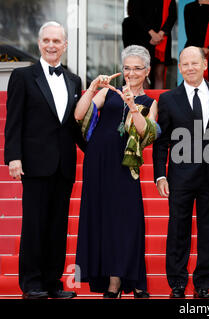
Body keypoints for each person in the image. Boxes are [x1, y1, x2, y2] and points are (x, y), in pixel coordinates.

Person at [3, 21, 84, 299]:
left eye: (57, 41)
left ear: (65, 46)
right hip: (35, 163)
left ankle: (53, 282)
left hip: (64, 165)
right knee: (35, 224)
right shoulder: (23, 77)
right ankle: (32, 283)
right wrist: (14, 157)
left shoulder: (74, 81)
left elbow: (75, 126)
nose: (51, 45)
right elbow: (13, 121)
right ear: (39, 43)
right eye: (47, 40)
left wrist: (98, 150)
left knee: (58, 225)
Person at [74, 45, 159, 299]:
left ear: (147, 71)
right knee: (104, 223)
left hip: (124, 168)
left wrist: (132, 105)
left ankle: (133, 278)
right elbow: (79, 115)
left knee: (127, 223)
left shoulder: (150, 102)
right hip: (97, 163)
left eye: (137, 69)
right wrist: (92, 89)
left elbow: (146, 133)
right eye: (127, 68)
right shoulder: (108, 94)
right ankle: (113, 282)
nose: (131, 73)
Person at [152, 46, 209, 299]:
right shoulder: (169, 99)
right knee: (178, 230)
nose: (190, 68)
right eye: (185, 64)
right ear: (180, 67)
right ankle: (177, 283)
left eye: (195, 63)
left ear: (205, 64)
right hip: (180, 176)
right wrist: (160, 174)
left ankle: (203, 284)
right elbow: (162, 142)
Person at [122, 0, 177, 89]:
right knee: (143, 75)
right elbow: (135, 13)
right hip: (142, 37)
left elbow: (172, 16)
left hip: (162, 39)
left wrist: (161, 34)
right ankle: (144, 102)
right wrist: (152, 33)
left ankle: (158, 102)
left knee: (160, 73)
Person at [184, 0, 209, 83]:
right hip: (193, 52)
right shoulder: (189, 7)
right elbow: (190, 32)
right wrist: (200, 49)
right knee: (193, 82)